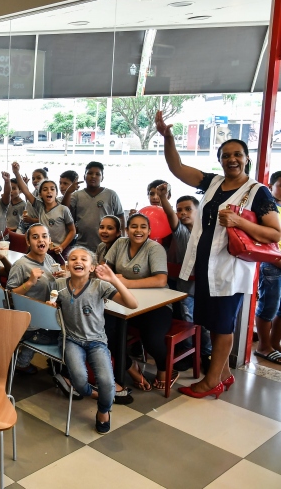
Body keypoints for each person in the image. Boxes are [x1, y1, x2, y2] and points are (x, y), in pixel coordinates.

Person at [156, 112, 281, 398]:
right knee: (211, 322)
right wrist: (169, 137)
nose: (231, 159)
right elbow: (177, 168)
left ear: (246, 159)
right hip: (206, 268)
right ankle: (223, 375)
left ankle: (211, 381)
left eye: (237, 155)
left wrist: (239, 222)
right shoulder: (212, 183)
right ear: (220, 160)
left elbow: (274, 234)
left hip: (230, 271)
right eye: (226, 156)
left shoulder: (258, 192)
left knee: (223, 325)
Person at [54, 247, 138, 434]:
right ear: (67, 265)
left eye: (84, 259)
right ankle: (92, 393)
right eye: (73, 258)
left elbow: (132, 304)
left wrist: (113, 279)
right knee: (79, 380)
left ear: (92, 267)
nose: (78, 261)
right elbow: (50, 307)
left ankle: (103, 411)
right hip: (71, 340)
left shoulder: (99, 286)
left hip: (97, 341)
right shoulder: (59, 285)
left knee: (107, 383)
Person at [104, 213, 173, 391]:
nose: (138, 230)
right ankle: (130, 367)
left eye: (143, 227)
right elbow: (106, 269)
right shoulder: (120, 243)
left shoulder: (154, 248)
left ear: (149, 231)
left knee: (152, 339)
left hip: (156, 305)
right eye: (134, 226)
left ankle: (165, 369)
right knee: (104, 330)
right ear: (127, 230)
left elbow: (161, 280)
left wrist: (126, 283)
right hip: (125, 303)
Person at [156, 184, 211, 367]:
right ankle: (188, 352)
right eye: (179, 210)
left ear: (198, 211)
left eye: (188, 209)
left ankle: (207, 354)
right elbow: (170, 216)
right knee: (188, 320)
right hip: (186, 287)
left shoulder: (208, 232)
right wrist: (163, 198)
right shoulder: (181, 232)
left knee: (206, 323)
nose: (183, 213)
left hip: (206, 286)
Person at [6, 223, 62, 374]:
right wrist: (30, 283)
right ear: (28, 241)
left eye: (44, 236)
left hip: (46, 318)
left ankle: (24, 361)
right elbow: (9, 296)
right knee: (70, 337)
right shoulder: (21, 265)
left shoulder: (49, 259)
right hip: (31, 325)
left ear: (50, 240)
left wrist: (61, 278)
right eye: (35, 237)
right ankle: (61, 372)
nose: (41, 240)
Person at [13, 162, 75, 258]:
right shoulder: (40, 207)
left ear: (56, 193)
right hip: (44, 249)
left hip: (60, 250)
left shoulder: (63, 209)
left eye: (52, 189)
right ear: (40, 194)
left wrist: (62, 246)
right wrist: (16, 172)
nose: (49, 191)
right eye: (45, 189)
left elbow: (72, 231)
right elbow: (26, 191)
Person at [62, 161, 125, 250]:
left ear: (102, 178)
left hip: (107, 246)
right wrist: (68, 192)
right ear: (84, 176)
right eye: (90, 173)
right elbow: (64, 213)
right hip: (82, 245)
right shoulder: (76, 195)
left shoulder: (111, 195)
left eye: (97, 174)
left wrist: (122, 239)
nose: (93, 176)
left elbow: (120, 216)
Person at [255, 170, 281, 365]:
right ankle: (263, 346)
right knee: (268, 306)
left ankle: (274, 343)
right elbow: (262, 240)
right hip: (272, 263)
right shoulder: (268, 209)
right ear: (271, 186)